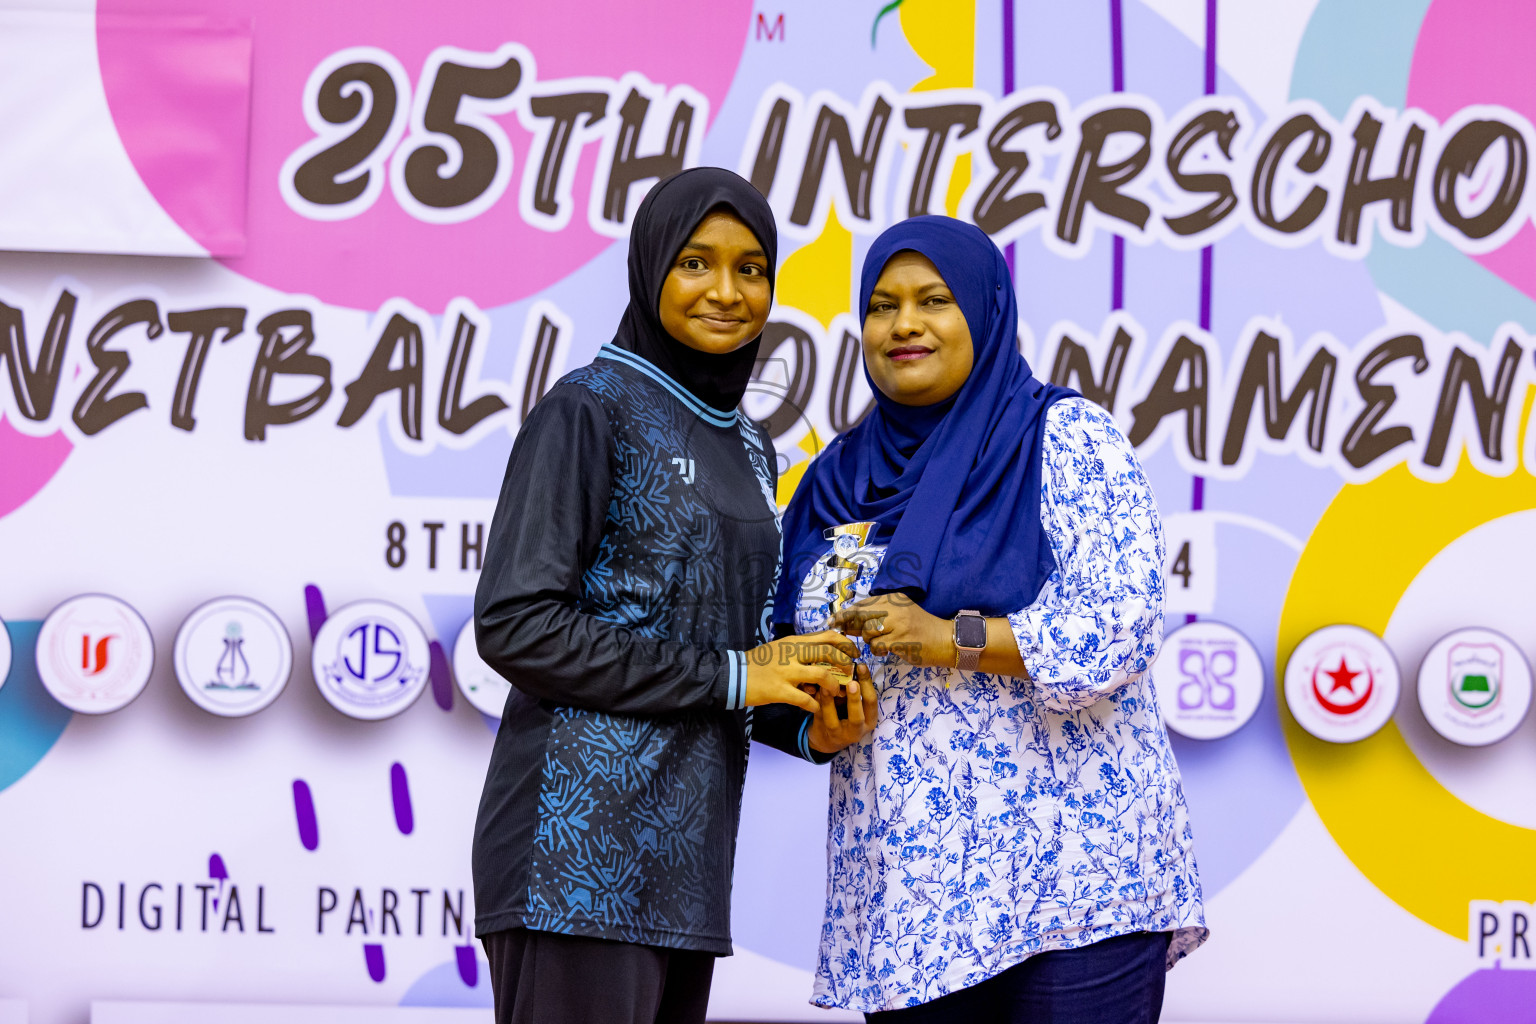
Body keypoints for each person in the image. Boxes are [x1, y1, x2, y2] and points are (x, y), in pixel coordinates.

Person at [773, 215, 1208, 1022]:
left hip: (1073, 879)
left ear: (986, 311)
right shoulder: (834, 478)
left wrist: (949, 639)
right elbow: (778, 642)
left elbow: (1119, 623)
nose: (904, 323)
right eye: (881, 305)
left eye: (933, 300)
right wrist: (814, 716)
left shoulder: (1062, 435)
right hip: (910, 897)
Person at [471, 167, 876, 1024]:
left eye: (752, 269)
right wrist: (738, 676)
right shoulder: (590, 409)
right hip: (572, 858)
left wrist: (805, 722)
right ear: (650, 266)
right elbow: (518, 624)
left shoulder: (751, 446)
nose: (727, 292)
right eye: (696, 263)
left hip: (686, 871)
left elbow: (726, 657)